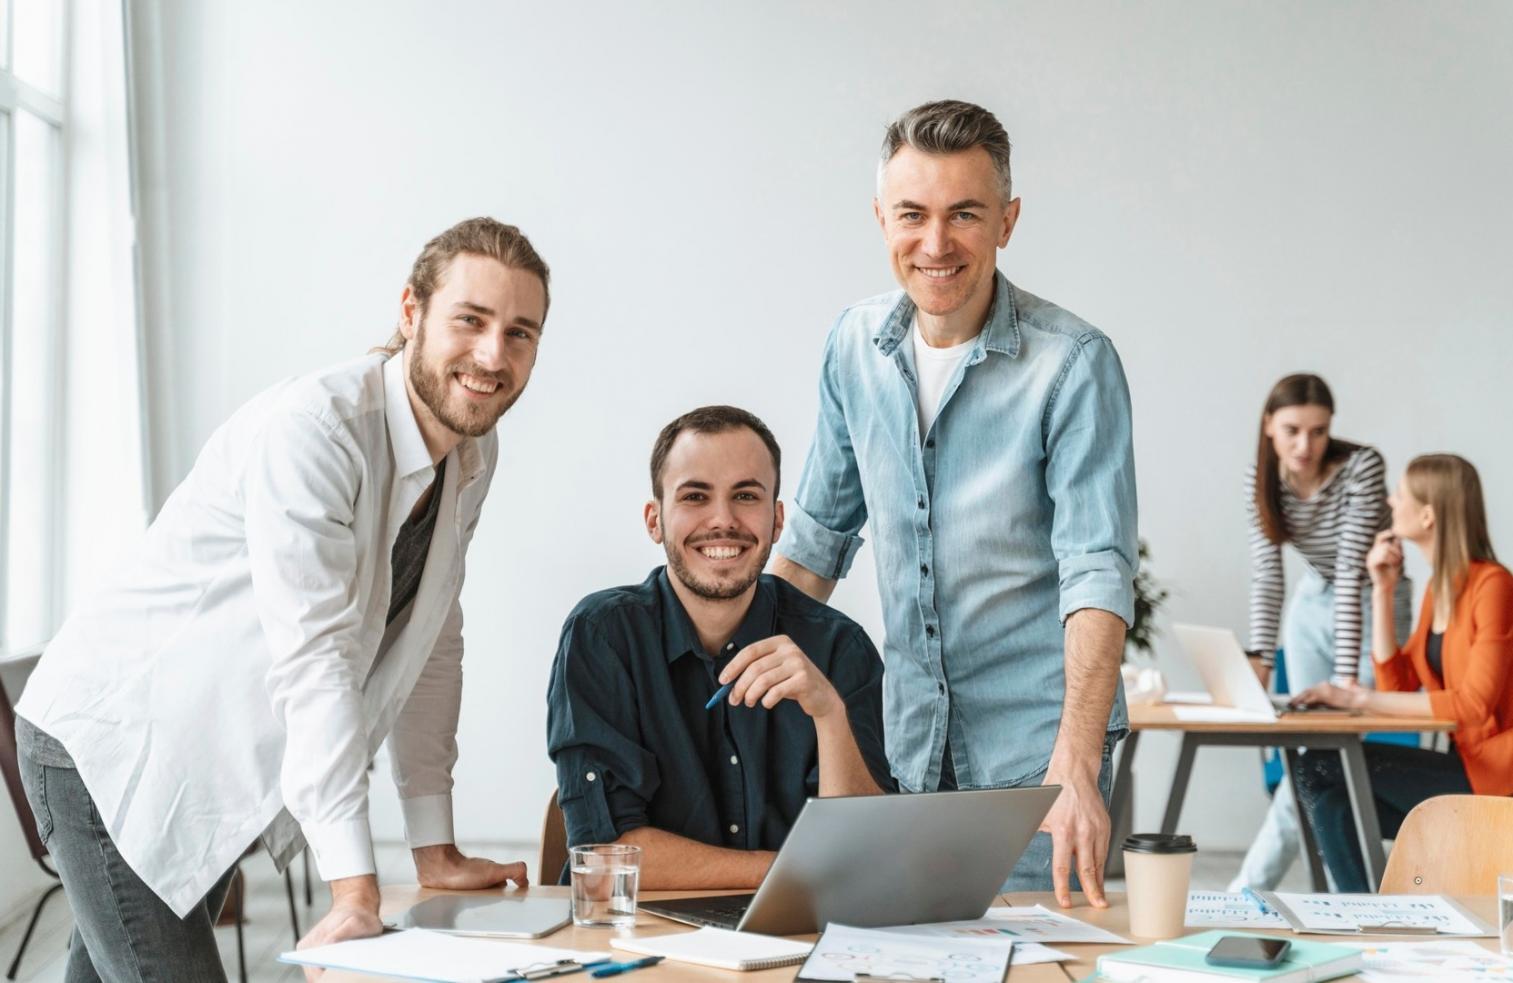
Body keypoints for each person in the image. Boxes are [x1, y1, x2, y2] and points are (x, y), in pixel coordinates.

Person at [15, 217, 547, 981]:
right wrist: (354, 890)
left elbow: (431, 638)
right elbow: (317, 660)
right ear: (410, 313)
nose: (493, 355)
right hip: (112, 748)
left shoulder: (473, 450)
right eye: (471, 319)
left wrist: (434, 849)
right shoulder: (319, 429)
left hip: (209, 755)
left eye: (519, 332)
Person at [771, 99, 1137, 908]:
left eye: (963, 214)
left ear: (1006, 222)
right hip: (904, 749)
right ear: (880, 218)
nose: (934, 244)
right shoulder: (852, 347)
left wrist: (1074, 765)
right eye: (912, 214)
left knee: (1032, 964)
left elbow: (1096, 576)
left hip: (1033, 764)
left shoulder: (1072, 364)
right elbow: (814, 544)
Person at [547, 406, 892, 890]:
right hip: (641, 944)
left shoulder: (838, 646)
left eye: (746, 496)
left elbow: (863, 856)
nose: (723, 521)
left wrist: (828, 714)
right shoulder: (602, 635)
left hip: (796, 941)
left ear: (776, 521)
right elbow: (605, 864)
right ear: (655, 520)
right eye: (695, 496)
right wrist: (793, 871)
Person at [1291, 454, 1513, 892]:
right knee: (1334, 799)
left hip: (1496, 778)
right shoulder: (1439, 588)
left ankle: (1365, 917)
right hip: (1467, 767)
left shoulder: (1493, 586)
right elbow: (1397, 683)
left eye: (1400, 494)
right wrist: (1383, 590)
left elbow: (1472, 706)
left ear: (1428, 515)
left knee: (1320, 765)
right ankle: (1365, 921)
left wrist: (1357, 698)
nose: (1391, 501)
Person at [1228, 373, 1413, 891]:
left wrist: (1342, 685)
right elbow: (1267, 574)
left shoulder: (1361, 467)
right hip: (1311, 600)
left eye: (1317, 431)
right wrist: (1260, 657)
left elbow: (1355, 572)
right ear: (1268, 426)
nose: (1305, 445)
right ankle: (1320, 894)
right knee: (1309, 747)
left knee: (1330, 742)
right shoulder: (1260, 481)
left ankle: (1249, 891)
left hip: (1377, 600)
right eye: (1292, 430)